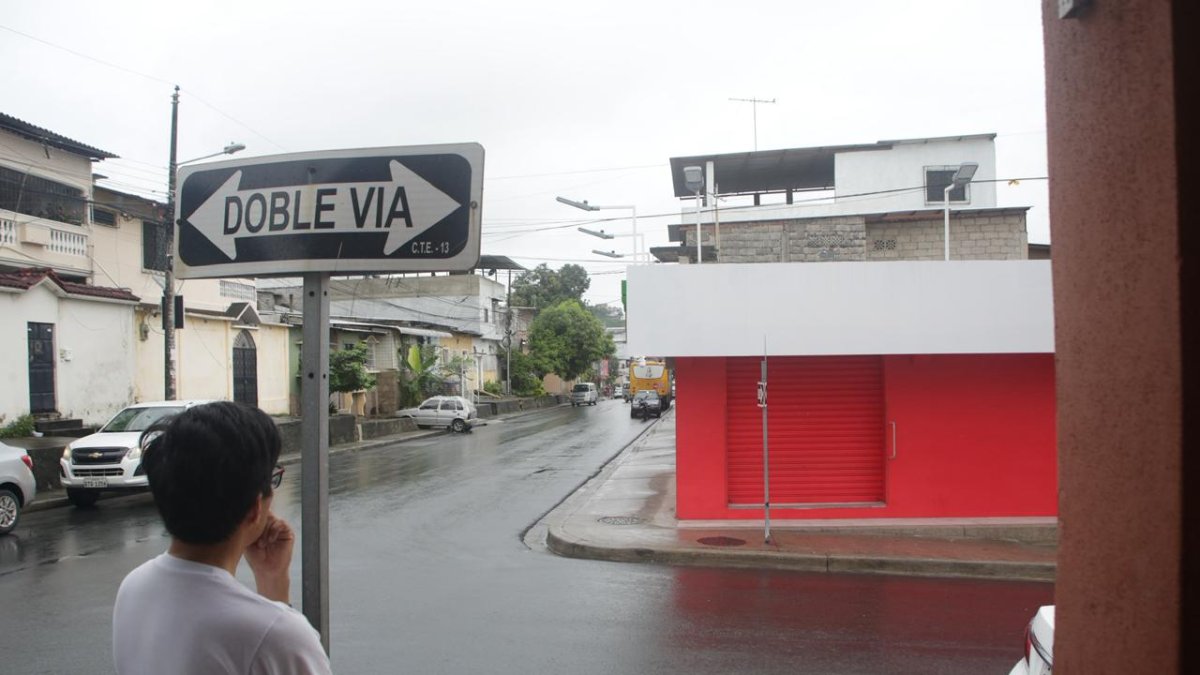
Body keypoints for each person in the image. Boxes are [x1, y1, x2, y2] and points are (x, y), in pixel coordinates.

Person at [113, 401, 331, 675]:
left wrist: (272, 579)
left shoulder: (135, 587)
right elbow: (267, 637)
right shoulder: (277, 636)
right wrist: (276, 594)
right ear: (255, 509)